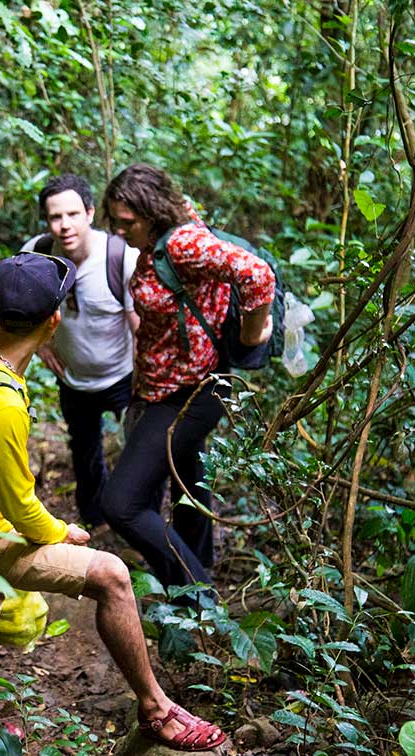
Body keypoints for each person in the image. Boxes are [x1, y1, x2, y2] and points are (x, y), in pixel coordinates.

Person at [0, 250, 226, 751]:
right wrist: (60, 532)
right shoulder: (1, 406)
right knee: (112, 576)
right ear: (54, 321)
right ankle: (156, 710)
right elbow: (22, 507)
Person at [99, 164, 275, 594]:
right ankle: (198, 587)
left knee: (121, 504)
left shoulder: (181, 244)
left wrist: (251, 337)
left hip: (191, 392)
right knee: (186, 486)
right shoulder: (169, 231)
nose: (119, 232)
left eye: (128, 223)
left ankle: (198, 596)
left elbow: (257, 275)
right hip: (170, 384)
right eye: (115, 222)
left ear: (153, 213)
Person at [21, 174, 140, 529]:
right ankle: (95, 522)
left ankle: (136, 521)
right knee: (84, 451)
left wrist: (148, 374)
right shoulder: (37, 254)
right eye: (55, 217)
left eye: (73, 214)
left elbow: (140, 321)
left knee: (136, 452)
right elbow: (20, 305)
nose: (64, 225)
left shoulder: (121, 258)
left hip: (123, 375)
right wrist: (41, 345)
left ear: (90, 213)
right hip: (73, 378)